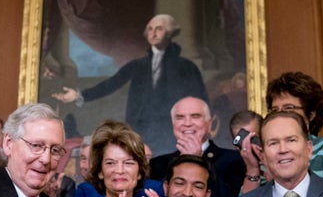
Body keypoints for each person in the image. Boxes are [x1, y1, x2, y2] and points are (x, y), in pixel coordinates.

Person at [53, 14, 208, 153]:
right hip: (141, 130)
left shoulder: (186, 67)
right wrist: (79, 95)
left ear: (170, 33)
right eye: (150, 29)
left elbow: (200, 100)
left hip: (171, 132)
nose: (153, 33)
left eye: (159, 29)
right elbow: (111, 84)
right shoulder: (138, 65)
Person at [150, 97, 245, 197]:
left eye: (195, 116)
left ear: (209, 124)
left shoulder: (234, 159)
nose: (187, 123)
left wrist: (196, 159)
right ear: (173, 124)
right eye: (180, 117)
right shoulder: (157, 164)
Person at [262, 71, 323, 183]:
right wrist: (253, 170)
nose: (280, 115)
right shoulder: (269, 152)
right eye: (275, 110)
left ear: (310, 115)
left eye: (289, 108)